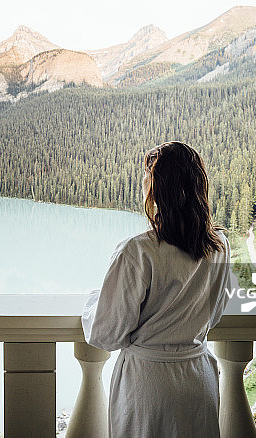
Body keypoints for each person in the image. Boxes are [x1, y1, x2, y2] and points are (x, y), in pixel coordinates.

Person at [82, 141, 237, 437]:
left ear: (156, 188)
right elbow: (214, 314)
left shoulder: (137, 251)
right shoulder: (219, 246)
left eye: (146, 175)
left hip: (148, 387)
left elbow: (105, 334)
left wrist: (93, 303)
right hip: (198, 380)